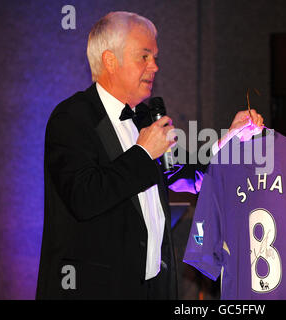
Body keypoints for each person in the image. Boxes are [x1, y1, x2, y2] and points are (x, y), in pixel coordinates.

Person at [36, 11, 263, 300]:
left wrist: (230, 139)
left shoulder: (143, 117)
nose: (154, 66)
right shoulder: (72, 117)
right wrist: (143, 153)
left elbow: (186, 174)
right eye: (144, 56)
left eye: (155, 57)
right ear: (110, 61)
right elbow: (84, 197)